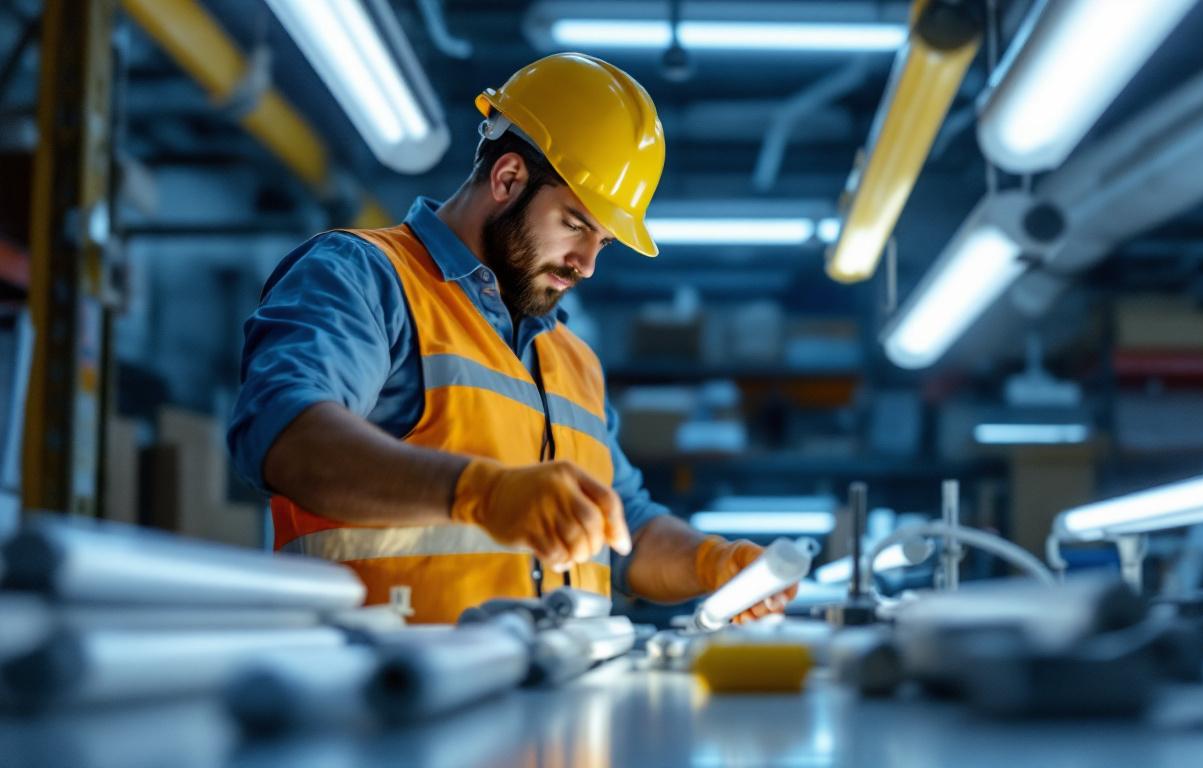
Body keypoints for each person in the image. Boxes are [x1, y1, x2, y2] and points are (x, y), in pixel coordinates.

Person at [227, 53, 798, 623]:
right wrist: (481, 493)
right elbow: (285, 436)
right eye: (576, 225)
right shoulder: (365, 275)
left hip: (548, 699)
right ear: (507, 178)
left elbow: (626, 527)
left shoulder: (573, 360)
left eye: (603, 242)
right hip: (379, 689)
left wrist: (712, 562)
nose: (586, 265)